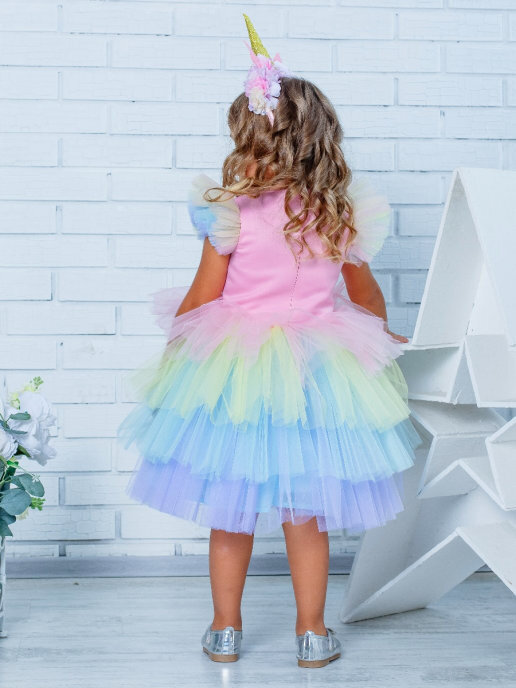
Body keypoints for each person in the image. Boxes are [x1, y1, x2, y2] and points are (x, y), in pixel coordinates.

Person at [117, 14, 423, 670]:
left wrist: (177, 350)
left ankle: (225, 630)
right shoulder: (339, 214)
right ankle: (312, 634)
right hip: (318, 371)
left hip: (236, 369)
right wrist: (380, 334)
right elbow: (366, 296)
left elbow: (204, 297)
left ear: (257, 140)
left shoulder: (228, 211)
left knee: (231, 509)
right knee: (304, 513)